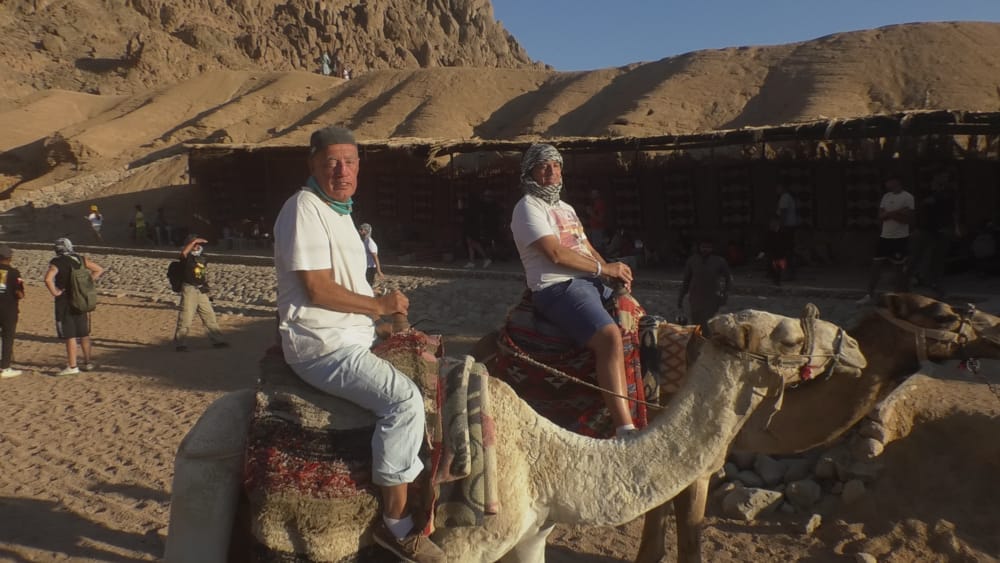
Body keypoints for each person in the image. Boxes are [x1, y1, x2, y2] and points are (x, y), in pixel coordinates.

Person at [273, 125, 444, 562]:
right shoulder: (304, 208)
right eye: (331, 161)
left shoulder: (341, 213)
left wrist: (377, 322)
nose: (341, 169)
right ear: (312, 164)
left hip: (351, 335)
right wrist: (379, 306)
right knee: (403, 401)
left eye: (349, 161)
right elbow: (316, 289)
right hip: (321, 344)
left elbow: (344, 286)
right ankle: (396, 525)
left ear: (359, 168)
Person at [509, 143, 637, 437]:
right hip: (557, 287)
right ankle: (624, 428)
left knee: (641, 324)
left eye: (556, 165)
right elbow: (555, 254)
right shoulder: (527, 207)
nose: (552, 171)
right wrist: (604, 270)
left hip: (589, 281)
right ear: (531, 171)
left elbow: (584, 246)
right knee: (609, 337)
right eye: (544, 166)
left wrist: (614, 273)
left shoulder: (565, 208)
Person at [43, 238, 104, 375]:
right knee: (83, 333)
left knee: (70, 334)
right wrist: (87, 284)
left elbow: (48, 279)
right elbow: (99, 269)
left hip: (65, 301)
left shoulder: (57, 262)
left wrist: (55, 292)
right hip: (81, 299)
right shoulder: (80, 259)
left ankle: (72, 366)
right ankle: (88, 362)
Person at [857, 177, 915, 304]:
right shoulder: (886, 197)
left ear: (896, 181)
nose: (887, 183)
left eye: (889, 181)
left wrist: (889, 214)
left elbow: (907, 219)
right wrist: (897, 212)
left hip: (900, 238)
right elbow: (880, 216)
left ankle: (899, 297)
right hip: (885, 237)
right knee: (875, 266)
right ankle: (869, 294)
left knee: (898, 269)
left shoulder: (908, 197)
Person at [173, 235, 229, 352]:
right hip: (189, 289)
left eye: (198, 245)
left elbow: (203, 276)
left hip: (201, 290)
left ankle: (218, 340)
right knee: (186, 317)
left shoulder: (203, 258)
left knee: (209, 315)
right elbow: (183, 253)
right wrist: (193, 241)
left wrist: (208, 291)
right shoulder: (186, 258)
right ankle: (180, 343)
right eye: (194, 245)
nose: (197, 246)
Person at [909, 175, 958, 296]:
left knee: (938, 259)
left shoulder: (949, 196)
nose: (940, 185)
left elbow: (952, 213)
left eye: (943, 183)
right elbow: (920, 209)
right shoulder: (927, 195)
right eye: (938, 182)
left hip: (941, 231)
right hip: (925, 230)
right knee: (916, 257)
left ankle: (935, 283)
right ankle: (908, 281)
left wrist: (954, 228)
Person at [677, 238, 732, 328]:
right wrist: (680, 299)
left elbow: (729, 279)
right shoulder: (692, 260)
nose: (705, 249)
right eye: (703, 247)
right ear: (699, 247)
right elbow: (686, 281)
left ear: (712, 248)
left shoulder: (720, 261)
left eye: (708, 247)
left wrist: (724, 296)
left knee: (711, 325)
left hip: (713, 299)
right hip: (695, 298)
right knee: (696, 325)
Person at [0, 245, 25, 378]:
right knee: (7, 338)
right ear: (9, 258)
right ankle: (5, 367)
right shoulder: (15, 273)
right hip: (8, 310)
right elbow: (20, 293)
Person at [461, 192, 492, 268]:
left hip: (472, 227)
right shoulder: (477, 206)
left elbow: (470, 218)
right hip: (473, 227)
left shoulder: (472, 207)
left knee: (474, 243)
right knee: (470, 244)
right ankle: (471, 261)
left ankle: (486, 258)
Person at [775, 184, 798, 278]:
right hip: (789, 226)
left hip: (786, 227)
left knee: (785, 249)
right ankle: (789, 272)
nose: (777, 190)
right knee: (788, 249)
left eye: (778, 188)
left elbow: (783, 213)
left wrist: (780, 227)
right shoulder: (788, 197)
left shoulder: (784, 197)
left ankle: (786, 272)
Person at [585, 189, 608, 254]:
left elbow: (601, 219)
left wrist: (590, 213)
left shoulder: (600, 204)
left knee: (598, 248)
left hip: (598, 229)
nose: (592, 195)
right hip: (594, 229)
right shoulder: (594, 204)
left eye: (594, 193)